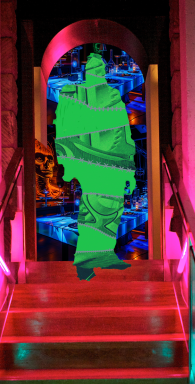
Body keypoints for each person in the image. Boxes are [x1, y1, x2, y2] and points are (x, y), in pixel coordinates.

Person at [54, 48, 138, 280]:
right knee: (94, 207)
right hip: (89, 161)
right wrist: (66, 161)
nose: (96, 72)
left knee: (114, 208)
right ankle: (85, 262)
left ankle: (104, 255)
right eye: (92, 68)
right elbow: (63, 127)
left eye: (99, 68)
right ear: (86, 71)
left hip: (115, 163)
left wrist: (130, 169)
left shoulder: (112, 96)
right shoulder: (73, 94)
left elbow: (124, 132)